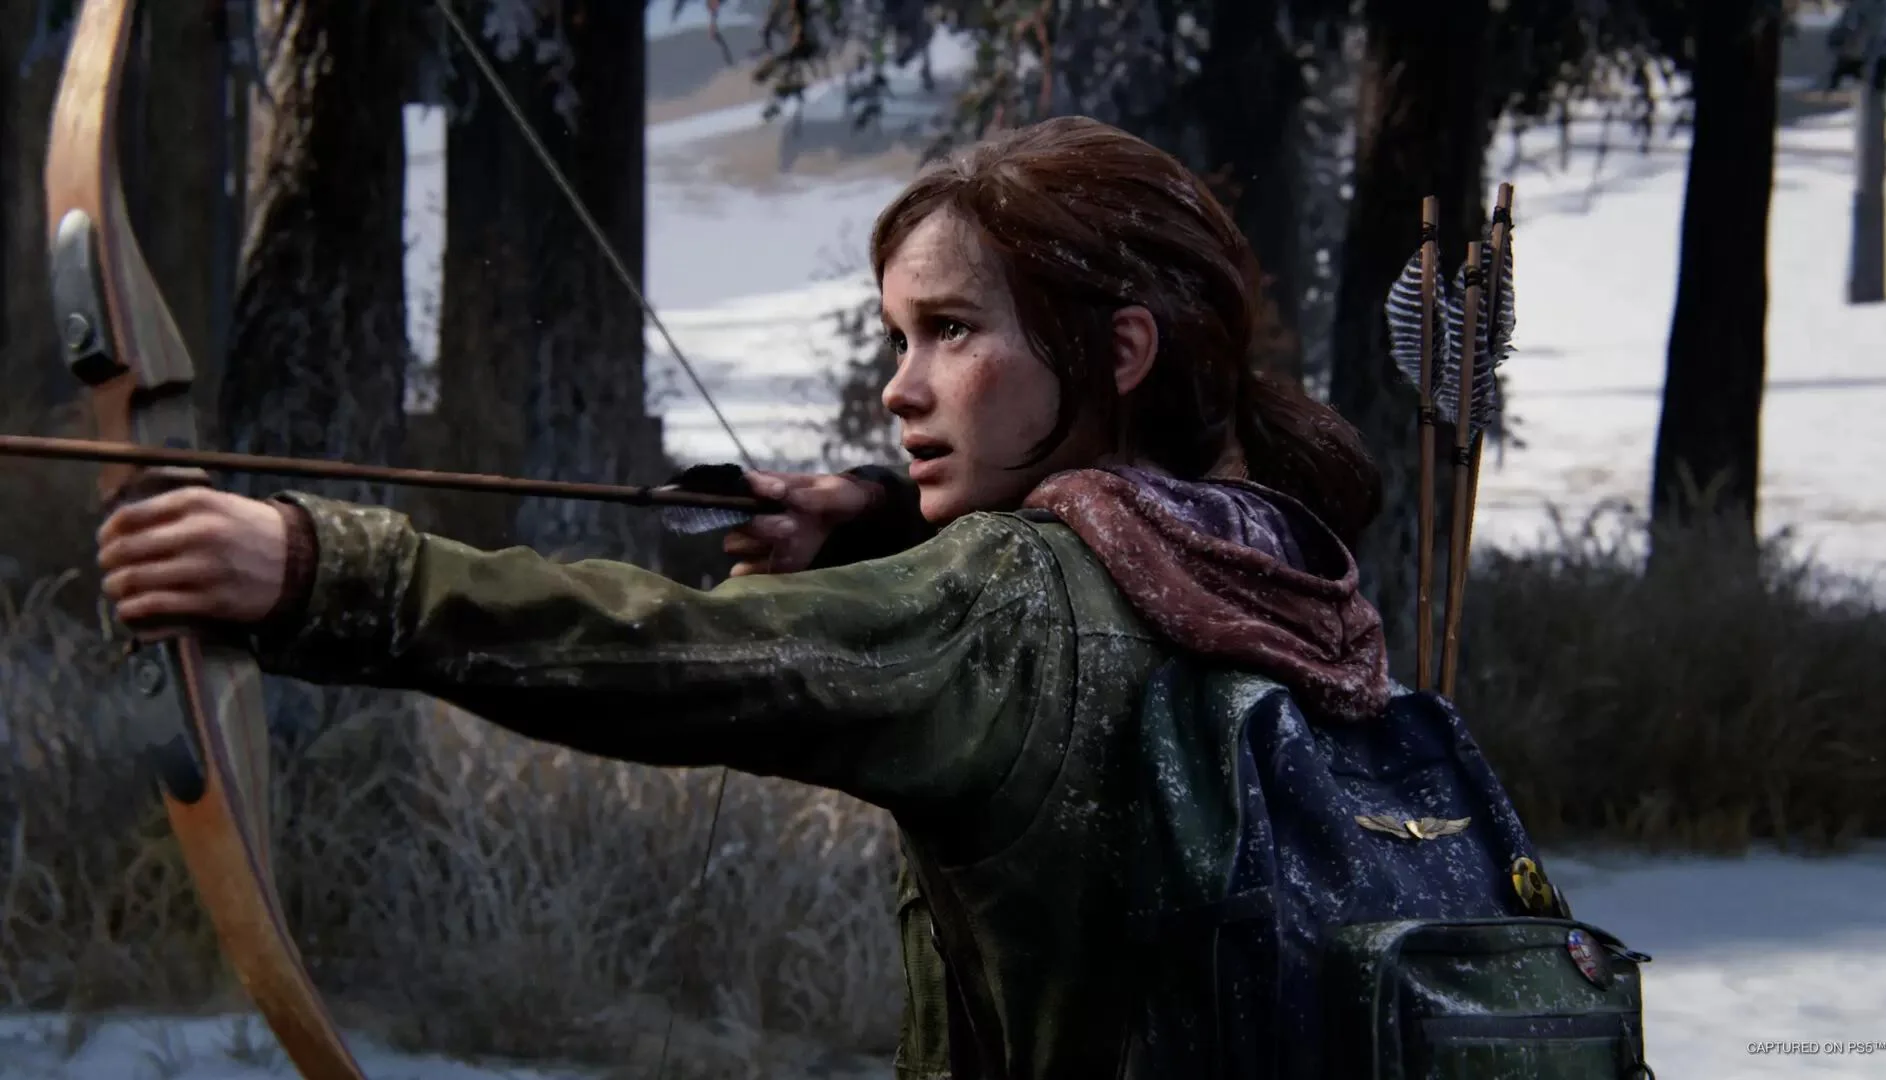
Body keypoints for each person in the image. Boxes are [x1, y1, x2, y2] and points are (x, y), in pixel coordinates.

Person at [95, 116, 1391, 1078]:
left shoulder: (1012, 603)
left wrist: (319, 573)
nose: (900, 387)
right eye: (898, 337)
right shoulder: (1284, 567)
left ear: (1121, 352)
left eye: (952, 330)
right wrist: (873, 519)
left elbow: (670, 650)